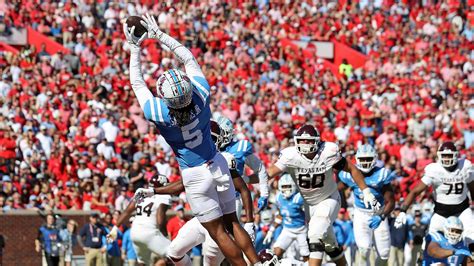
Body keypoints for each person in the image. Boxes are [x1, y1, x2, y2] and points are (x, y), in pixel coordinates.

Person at [123, 14, 259, 265]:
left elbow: (137, 82)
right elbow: (188, 57)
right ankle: (256, 263)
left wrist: (134, 47)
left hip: (194, 174)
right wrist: (160, 35)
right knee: (232, 222)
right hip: (216, 161)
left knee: (218, 233)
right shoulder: (202, 94)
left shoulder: (159, 112)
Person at [251, 124, 381, 266]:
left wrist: (366, 191)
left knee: (315, 234)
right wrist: (245, 179)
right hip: (310, 204)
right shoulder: (290, 155)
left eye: (309, 141)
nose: (305, 144)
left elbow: (352, 169)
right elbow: (267, 173)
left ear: (317, 141)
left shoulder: (327, 151)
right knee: (330, 244)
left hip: (328, 198)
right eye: (302, 140)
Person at [147, 148, 257, 265]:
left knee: (210, 262)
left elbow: (243, 189)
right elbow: (182, 184)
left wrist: (250, 221)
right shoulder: (198, 162)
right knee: (173, 251)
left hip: (220, 224)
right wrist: (154, 191)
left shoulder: (224, 159)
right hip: (201, 219)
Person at [395, 141, 474, 251]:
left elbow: (473, 188)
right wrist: (403, 210)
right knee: (429, 243)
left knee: (472, 237)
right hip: (441, 213)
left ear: (456, 155)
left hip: (462, 211)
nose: (446, 159)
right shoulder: (435, 170)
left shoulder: (465, 166)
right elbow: (415, 191)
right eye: (444, 156)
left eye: (449, 155)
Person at [338, 144, 395, 266]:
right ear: (357, 159)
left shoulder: (381, 174)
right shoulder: (349, 174)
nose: (365, 162)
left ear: (374, 159)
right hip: (361, 214)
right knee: (364, 249)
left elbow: (391, 202)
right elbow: (336, 189)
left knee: (384, 254)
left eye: (368, 159)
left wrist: (381, 215)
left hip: (379, 213)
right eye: (363, 159)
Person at [107, 174, 172, 265]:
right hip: (149, 232)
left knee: (142, 263)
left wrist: (115, 228)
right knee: (175, 255)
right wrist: (165, 236)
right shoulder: (164, 197)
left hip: (135, 232)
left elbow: (127, 211)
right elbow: (160, 220)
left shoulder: (141, 192)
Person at [215, 115, 269, 214]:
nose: (218, 136)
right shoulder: (210, 147)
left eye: (221, 132)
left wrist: (264, 194)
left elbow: (260, 169)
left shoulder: (239, 147)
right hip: (212, 198)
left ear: (228, 134)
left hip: (232, 199)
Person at [263, 174, 309, 261]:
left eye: (288, 186)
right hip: (287, 230)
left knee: (306, 256)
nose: (286, 189)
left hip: (301, 231)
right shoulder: (279, 197)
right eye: (284, 186)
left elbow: (310, 214)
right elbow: (280, 215)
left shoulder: (298, 198)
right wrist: (271, 231)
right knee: (275, 254)